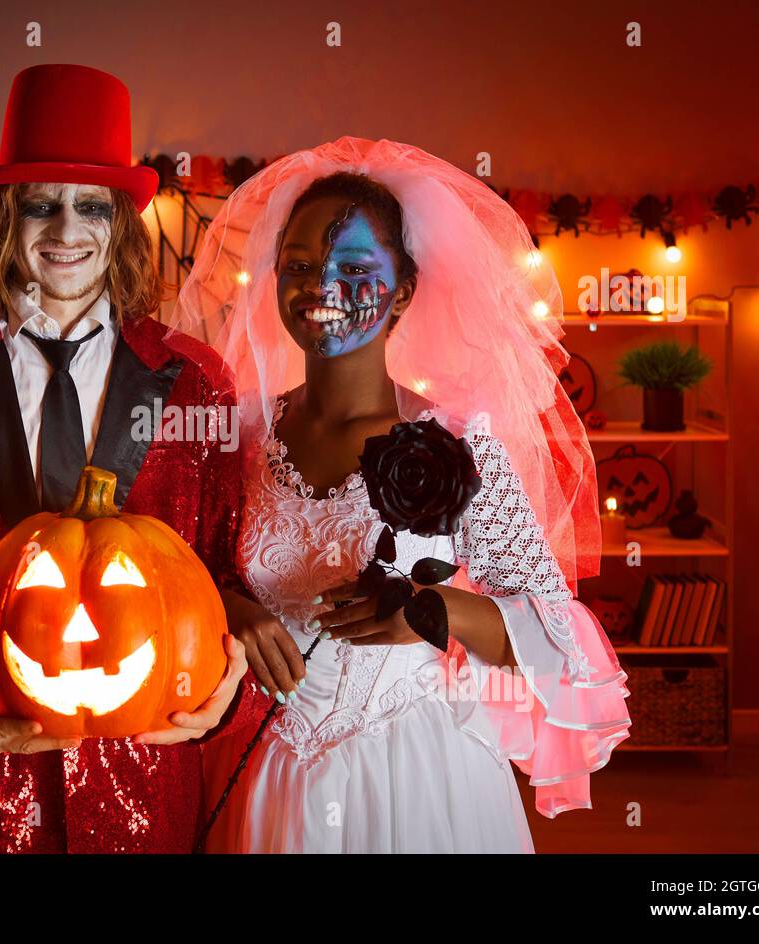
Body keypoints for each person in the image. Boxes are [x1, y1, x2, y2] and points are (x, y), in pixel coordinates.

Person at [0, 64, 261, 853]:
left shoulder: (198, 381)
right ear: (4, 216)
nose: (67, 231)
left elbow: (231, 579)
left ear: (123, 223)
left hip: (146, 786)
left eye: (92, 206)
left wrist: (230, 695)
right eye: (42, 204)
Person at [180, 138, 632, 853]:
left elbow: (557, 636)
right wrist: (232, 607)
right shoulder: (237, 437)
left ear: (406, 291)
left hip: (417, 775)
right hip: (264, 773)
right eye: (298, 266)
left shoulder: (456, 442)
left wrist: (437, 609)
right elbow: (183, 572)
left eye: (354, 268)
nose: (321, 288)